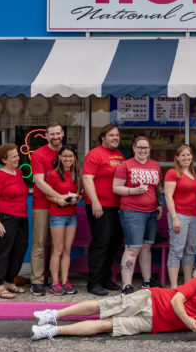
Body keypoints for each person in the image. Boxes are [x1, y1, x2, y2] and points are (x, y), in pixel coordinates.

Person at [29, 265, 196, 340]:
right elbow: (177, 300)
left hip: (154, 324)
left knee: (107, 325)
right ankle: (54, 314)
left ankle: (52, 330)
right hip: (151, 299)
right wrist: (189, 321)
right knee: (103, 307)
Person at [113, 136, 162, 293]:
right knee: (133, 248)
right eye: (140, 147)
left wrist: (160, 204)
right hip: (132, 212)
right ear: (134, 148)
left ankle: (147, 281)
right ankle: (126, 285)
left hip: (152, 212)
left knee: (146, 247)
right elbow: (116, 187)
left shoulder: (155, 165)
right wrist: (132, 191)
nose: (143, 150)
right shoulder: (125, 165)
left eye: (146, 148)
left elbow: (157, 188)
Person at [81, 124, 125, 296]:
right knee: (101, 243)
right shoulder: (95, 154)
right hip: (100, 207)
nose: (115, 138)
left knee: (114, 244)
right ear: (103, 137)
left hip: (117, 207)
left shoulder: (119, 155)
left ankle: (106, 278)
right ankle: (94, 282)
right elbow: (87, 179)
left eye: (117, 135)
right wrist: (95, 201)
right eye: (111, 135)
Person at [0, 142, 30, 299]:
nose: (18, 158)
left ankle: (9, 281)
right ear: (4, 160)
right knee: (2, 252)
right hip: (4, 218)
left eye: (18, 155)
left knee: (19, 250)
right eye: (14, 156)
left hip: (21, 218)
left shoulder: (18, 173)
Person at [30, 121, 67, 296]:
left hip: (64, 207)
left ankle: (57, 280)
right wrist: (58, 197)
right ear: (46, 136)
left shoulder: (67, 153)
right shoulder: (38, 154)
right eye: (52, 134)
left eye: (58, 133)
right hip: (42, 205)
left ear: (62, 134)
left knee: (58, 247)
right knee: (39, 243)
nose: (55, 137)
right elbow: (39, 182)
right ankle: (36, 281)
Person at [164, 144, 196, 287]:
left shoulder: (193, 174)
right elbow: (168, 196)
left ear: (192, 157)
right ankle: (174, 286)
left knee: (190, 250)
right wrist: (174, 218)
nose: (186, 158)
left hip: (195, 216)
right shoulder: (172, 172)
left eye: (189, 155)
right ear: (177, 158)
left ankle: (187, 284)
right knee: (177, 249)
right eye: (183, 155)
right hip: (180, 215)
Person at [46, 145, 81, 296]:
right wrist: (58, 200)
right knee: (58, 250)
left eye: (70, 156)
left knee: (67, 250)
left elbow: (80, 193)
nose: (68, 159)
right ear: (60, 157)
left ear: (75, 158)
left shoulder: (76, 174)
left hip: (71, 214)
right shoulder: (53, 174)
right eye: (65, 156)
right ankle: (55, 283)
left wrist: (76, 199)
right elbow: (47, 195)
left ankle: (65, 280)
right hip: (57, 215)